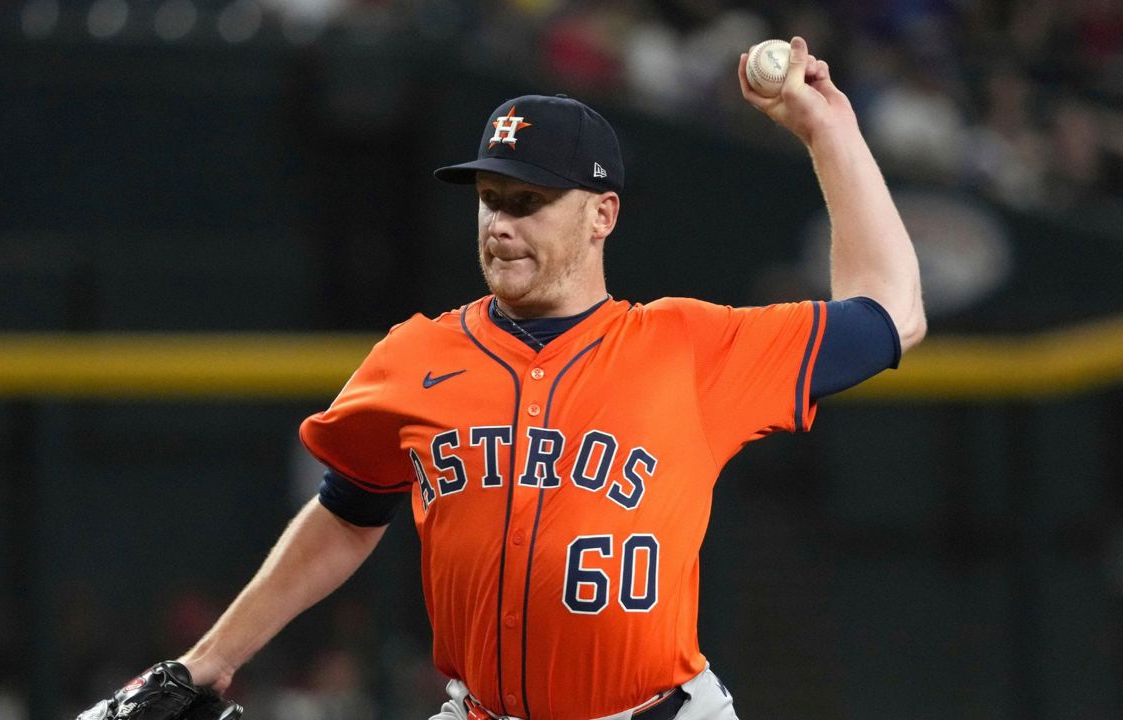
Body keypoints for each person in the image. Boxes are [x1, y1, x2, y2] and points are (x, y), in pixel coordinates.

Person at [176, 36, 926, 720]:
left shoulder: (691, 347)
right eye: (490, 199)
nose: (500, 223)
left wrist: (828, 133)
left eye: (529, 202)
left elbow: (893, 310)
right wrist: (208, 661)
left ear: (602, 214)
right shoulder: (415, 356)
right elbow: (346, 514)